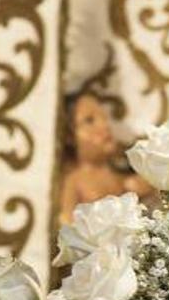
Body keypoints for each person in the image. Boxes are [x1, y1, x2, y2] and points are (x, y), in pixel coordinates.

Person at [58, 93, 149, 223]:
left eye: (105, 118)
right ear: (69, 137)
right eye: (89, 120)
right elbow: (66, 225)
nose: (105, 126)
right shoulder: (73, 181)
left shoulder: (124, 171)